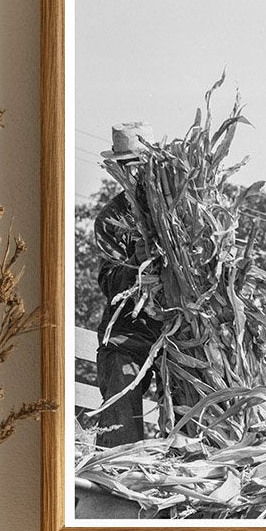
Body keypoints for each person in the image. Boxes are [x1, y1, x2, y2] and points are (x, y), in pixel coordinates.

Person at [93, 123, 163, 446]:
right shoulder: (110, 219)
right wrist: (136, 270)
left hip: (176, 337)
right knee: (121, 411)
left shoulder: (174, 211)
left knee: (194, 408)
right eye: (126, 165)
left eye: (138, 163)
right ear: (117, 168)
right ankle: (114, 487)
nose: (133, 172)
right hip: (127, 336)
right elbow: (108, 278)